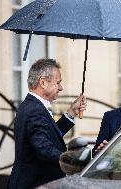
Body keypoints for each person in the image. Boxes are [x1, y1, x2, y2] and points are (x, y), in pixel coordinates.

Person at [8, 59, 87, 189]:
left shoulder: (34, 106)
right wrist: (72, 160)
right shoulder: (34, 109)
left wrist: (71, 112)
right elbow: (43, 148)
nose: (61, 88)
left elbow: (49, 135)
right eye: (58, 82)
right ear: (43, 82)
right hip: (35, 184)